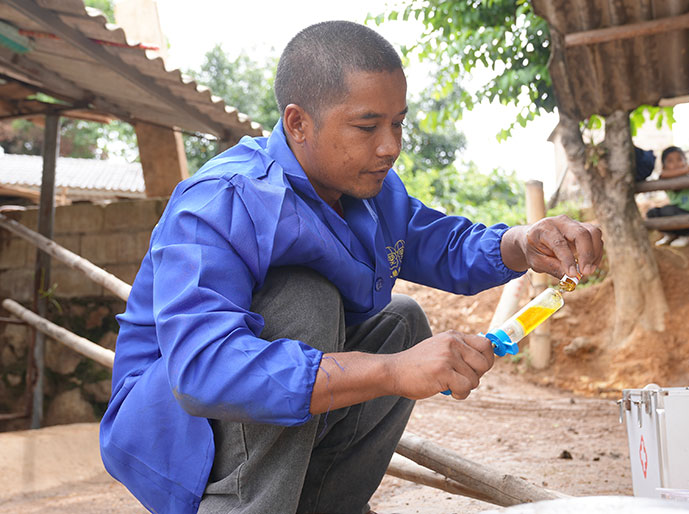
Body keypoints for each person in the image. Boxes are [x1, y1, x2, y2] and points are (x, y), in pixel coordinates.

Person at [99, 21, 603, 514]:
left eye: (398, 123)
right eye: (368, 126)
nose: (391, 146)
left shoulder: (369, 192)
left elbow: (442, 243)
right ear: (298, 123)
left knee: (402, 322)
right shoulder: (221, 202)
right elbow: (204, 370)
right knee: (306, 298)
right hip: (174, 435)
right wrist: (391, 371)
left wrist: (524, 243)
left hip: (239, 419)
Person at [646, 146, 689, 247]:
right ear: (664, 167)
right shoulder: (666, 180)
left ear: (686, 162)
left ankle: (688, 235)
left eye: (679, 159)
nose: (676, 164)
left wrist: (688, 170)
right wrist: (686, 169)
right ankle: (670, 234)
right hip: (675, 215)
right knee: (652, 214)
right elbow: (662, 175)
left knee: (668, 211)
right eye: (670, 161)